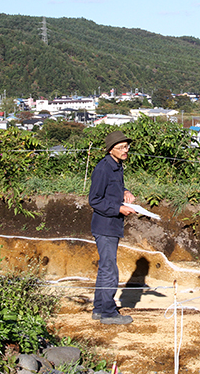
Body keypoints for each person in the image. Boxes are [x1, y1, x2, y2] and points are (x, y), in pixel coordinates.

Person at [88, 131, 137, 325]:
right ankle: (108, 312)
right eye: (122, 147)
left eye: (127, 146)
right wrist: (118, 208)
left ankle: (99, 308)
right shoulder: (103, 169)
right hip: (105, 225)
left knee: (105, 268)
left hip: (112, 225)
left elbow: (114, 189)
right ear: (111, 150)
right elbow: (94, 199)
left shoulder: (117, 166)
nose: (126, 150)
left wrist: (125, 192)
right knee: (110, 270)